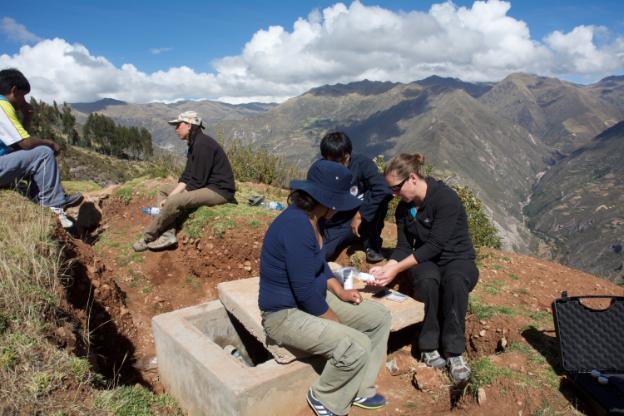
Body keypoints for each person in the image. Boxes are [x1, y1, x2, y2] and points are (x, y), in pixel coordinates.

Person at [259, 159, 391, 416]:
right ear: (323, 199)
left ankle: (361, 388)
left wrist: (339, 291)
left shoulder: (313, 220)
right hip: (284, 315)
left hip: (309, 301)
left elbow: (320, 265)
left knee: (378, 318)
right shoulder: (294, 226)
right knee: (355, 344)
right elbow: (304, 292)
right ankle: (325, 398)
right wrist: (337, 324)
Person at [369, 153, 478, 384]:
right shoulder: (403, 209)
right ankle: (428, 345)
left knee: (455, 281)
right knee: (427, 280)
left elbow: (435, 245)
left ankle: (454, 351)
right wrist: (388, 266)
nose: (394, 194)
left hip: (457, 258)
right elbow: (403, 247)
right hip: (427, 260)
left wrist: (396, 269)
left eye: (396, 188)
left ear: (413, 179)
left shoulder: (445, 199)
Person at [132, 111, 235, 251]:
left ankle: (147, 237)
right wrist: (172, 194)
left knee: (174, 201)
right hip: (207, 186)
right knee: (164, 190)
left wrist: (172, 199)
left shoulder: (203, 145)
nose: (176, 129)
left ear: (189, 125)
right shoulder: (194, 144)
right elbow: (187, 176)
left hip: (219, 191)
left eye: (178, 125)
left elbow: (197, 182)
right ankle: (168, 233)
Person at [0, 68, 82, 228]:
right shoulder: (2, 105)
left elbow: (18, 144)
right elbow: (25, 143)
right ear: (14, 90)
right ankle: (53, 206)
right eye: (23, 95)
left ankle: (51, 198)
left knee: (32, 156)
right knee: (43, 153)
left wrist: (27, 118)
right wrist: (50, 144)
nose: (24, 100)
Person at [319, 132, 392, 263]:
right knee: (321, 254)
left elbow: (383, 189)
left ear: (349, 154)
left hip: (363, 221)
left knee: (380, 196)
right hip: (337, 222)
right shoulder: (319, 171)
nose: (340, 166)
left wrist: (360, 215)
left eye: (344, 160)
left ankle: (371, 243)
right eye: (334, 162)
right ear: (326, 159)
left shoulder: (363, 164)